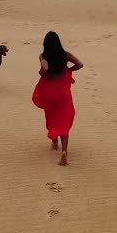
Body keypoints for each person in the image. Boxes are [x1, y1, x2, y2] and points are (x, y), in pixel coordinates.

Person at [31, 31, 83, 165]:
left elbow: (45, 69)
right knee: (64, 120)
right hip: (62, 92)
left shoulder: (43, 56)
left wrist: (41, 72)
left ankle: (54, 141)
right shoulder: (65, 55)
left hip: (50, 91)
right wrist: (68, 70)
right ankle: (64, 151)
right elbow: (80, 64)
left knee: (51, 116)